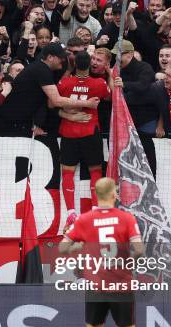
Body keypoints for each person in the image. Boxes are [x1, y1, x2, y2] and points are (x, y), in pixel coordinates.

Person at [58, 177, 144, 327]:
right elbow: (140, 249)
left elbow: (62, 248)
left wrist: (77, 248)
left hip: (95, 285)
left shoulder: (84, 220)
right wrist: (128, 262)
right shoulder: (126, 218)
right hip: (121, 285)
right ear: (115, 195)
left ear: (96, 195)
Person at [0, 42, 100, 137]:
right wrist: (87, 103)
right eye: (60, 57)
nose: (63, 60)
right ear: (50, 57)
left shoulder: (42, 68)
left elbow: (48, 103)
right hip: (9, 122)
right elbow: (56, 100)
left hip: (19, 121)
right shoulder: (42, 70)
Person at [57, 51, 110, 230]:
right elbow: (110, 95)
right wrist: (110, 74)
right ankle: (96, 210)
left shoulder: (64, 83)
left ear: (73, 65)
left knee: (67, 173)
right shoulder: (98, 84)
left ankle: (71, 212)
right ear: (89, 65)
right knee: (95, 171)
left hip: (68, 133)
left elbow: (52, 103)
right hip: (90, 132)